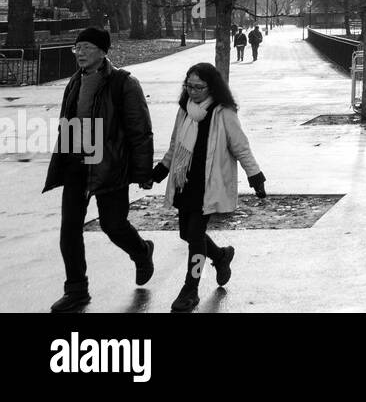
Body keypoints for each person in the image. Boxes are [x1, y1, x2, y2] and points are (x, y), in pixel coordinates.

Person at [43, 27, 155, 313]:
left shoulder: (124, 84)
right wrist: (65, 161)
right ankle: (77, 291)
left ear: (103, 52)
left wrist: (142, 173)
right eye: (77, 47)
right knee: (69, 230)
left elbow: (140, 130)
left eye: (87, 48)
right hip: (76, 167)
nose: (80, 53)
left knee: (113, 225)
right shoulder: (75, 82)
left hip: (109, 167)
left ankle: (142, 252)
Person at [152, 62, 265, 313]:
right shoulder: (184, 111)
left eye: (198, 87)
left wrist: (255, 176)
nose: (192, 91)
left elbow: (241, 146)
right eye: (188, 86)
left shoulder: (223, 112)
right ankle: (221, 256)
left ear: (211, 86)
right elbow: (175, 146)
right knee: (188, 235)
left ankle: (190, 288)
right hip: (184, 183)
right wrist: (159, 172)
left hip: (208, 186)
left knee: (194, 238)